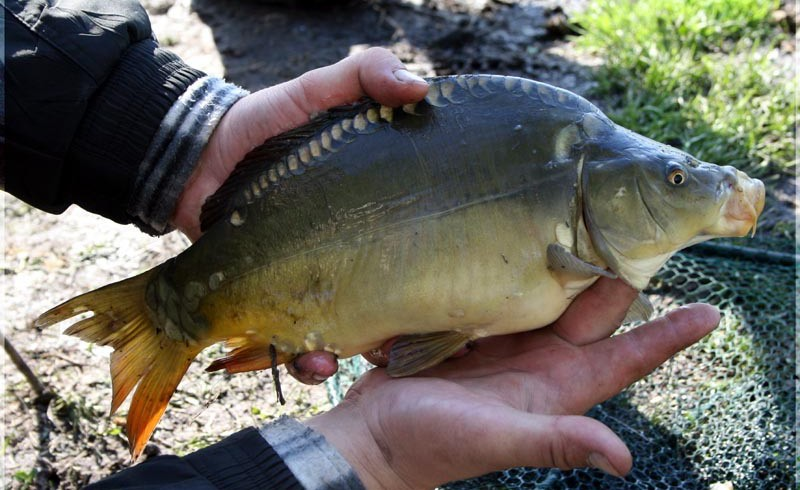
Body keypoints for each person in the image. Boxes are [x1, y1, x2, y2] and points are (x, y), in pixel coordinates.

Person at [3, 1, 720, 488]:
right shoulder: (568, 136)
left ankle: (191, 310)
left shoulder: (572, 134)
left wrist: (193, 143)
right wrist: (368, 454)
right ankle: (173, 312)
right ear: (601, 184)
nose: (684, 184)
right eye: (675, 178)